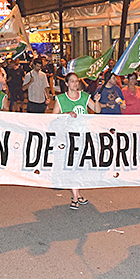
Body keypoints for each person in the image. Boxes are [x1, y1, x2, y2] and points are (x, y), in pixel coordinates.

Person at [53, 72, 101, 210]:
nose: (75, 83)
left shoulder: (85, 97)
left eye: (77, 81)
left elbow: (97, 110)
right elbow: (52, 117)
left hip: (84, 136)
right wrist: (66, 114)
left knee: (80, 167)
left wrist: (97, 100)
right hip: (68, 138)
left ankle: (77, 193)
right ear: (67, 84)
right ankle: (75, 197)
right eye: (72, 81)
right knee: (72, 167)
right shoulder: (61, 99)